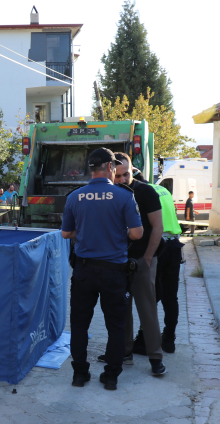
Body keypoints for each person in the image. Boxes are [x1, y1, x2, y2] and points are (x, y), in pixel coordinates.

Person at [61, 148, 143, 391]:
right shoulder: (124, 196)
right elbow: (137, 233)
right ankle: (111, 377)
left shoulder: (75, 197)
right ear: (109, 167)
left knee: (79, 325)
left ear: (91, 169)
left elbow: (66, 233)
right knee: (115, 326)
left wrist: (86, 231)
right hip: (114, 272)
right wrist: (116, 232)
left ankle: (79, 374)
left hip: (83, 271)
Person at [102, 152, 166, 376]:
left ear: (133, 171)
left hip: (142, 258)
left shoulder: (145, 191)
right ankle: (124, 352)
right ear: (110, 173)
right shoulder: (108, 193)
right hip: (117, 261)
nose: (122, 179)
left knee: (147, 310)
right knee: (121, 309)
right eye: (117, 176)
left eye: (126, 174)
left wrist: (147, 258)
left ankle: (155, 357)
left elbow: (157, 227)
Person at [153, 182, 183, 353]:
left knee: (151, 296)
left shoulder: (142, 193)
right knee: (170, 296)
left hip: (158, 247)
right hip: (173, 246)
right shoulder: (163, 190)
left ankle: (145, 338)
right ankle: (169, 339)